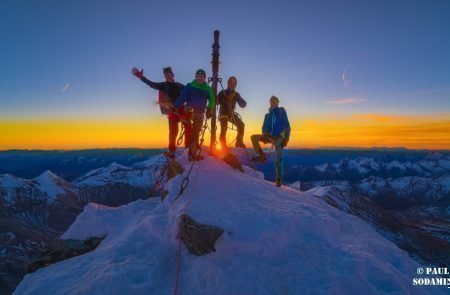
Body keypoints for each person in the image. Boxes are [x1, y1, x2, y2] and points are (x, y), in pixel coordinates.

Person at [131, 66, 192, 159]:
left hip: (181, 109)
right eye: (165, 74)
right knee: (173, 133)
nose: (167, 76)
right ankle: (172, 152)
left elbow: (189, 91)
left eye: (169, 74)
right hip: (172, 111)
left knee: (188, 128)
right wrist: (141, 77)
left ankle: (188, 148)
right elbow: (151, 84)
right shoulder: (163, 85)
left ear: (172, 75)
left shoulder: (179, 85)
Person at [174, 69, 215, 161]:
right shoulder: (190, 85)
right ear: (195, 77)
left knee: (196, 132)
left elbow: (212, 99)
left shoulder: (208, 88)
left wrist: (209, 109)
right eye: (198, 76)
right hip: (190, 111)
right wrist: (176, 106)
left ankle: (192, 151)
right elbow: (183, 97)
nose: (200, 78)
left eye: (202, 76)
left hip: (199, 113)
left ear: (204, 78)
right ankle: (192, 152)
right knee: (193, 132)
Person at [251, 96, 291, 187]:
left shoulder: (281, 112)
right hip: (269, 136)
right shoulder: (267, 115)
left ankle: (278, 180)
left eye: (274, 101)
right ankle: (261, 156)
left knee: (278, 158)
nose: (272, 103)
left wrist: (286, 139)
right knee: (253, 138)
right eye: (271, 102)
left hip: (279, 138)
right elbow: (264, 127)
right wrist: (265, 134)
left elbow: (287, 127)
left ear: (277, 103)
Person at [217, 76, 247, 151]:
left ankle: (239, 141)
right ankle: (223, 144)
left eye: (234, 83)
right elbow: (217, 102)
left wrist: (243, 102)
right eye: (231, 82)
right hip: (223, 113)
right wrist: (223, 99)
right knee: (224, 128)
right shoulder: (222, 92)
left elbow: (242, 104)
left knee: (241, 125)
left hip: (231, 114)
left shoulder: (236, 94)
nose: (233, 84)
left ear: (235, 85)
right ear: (228, 83)